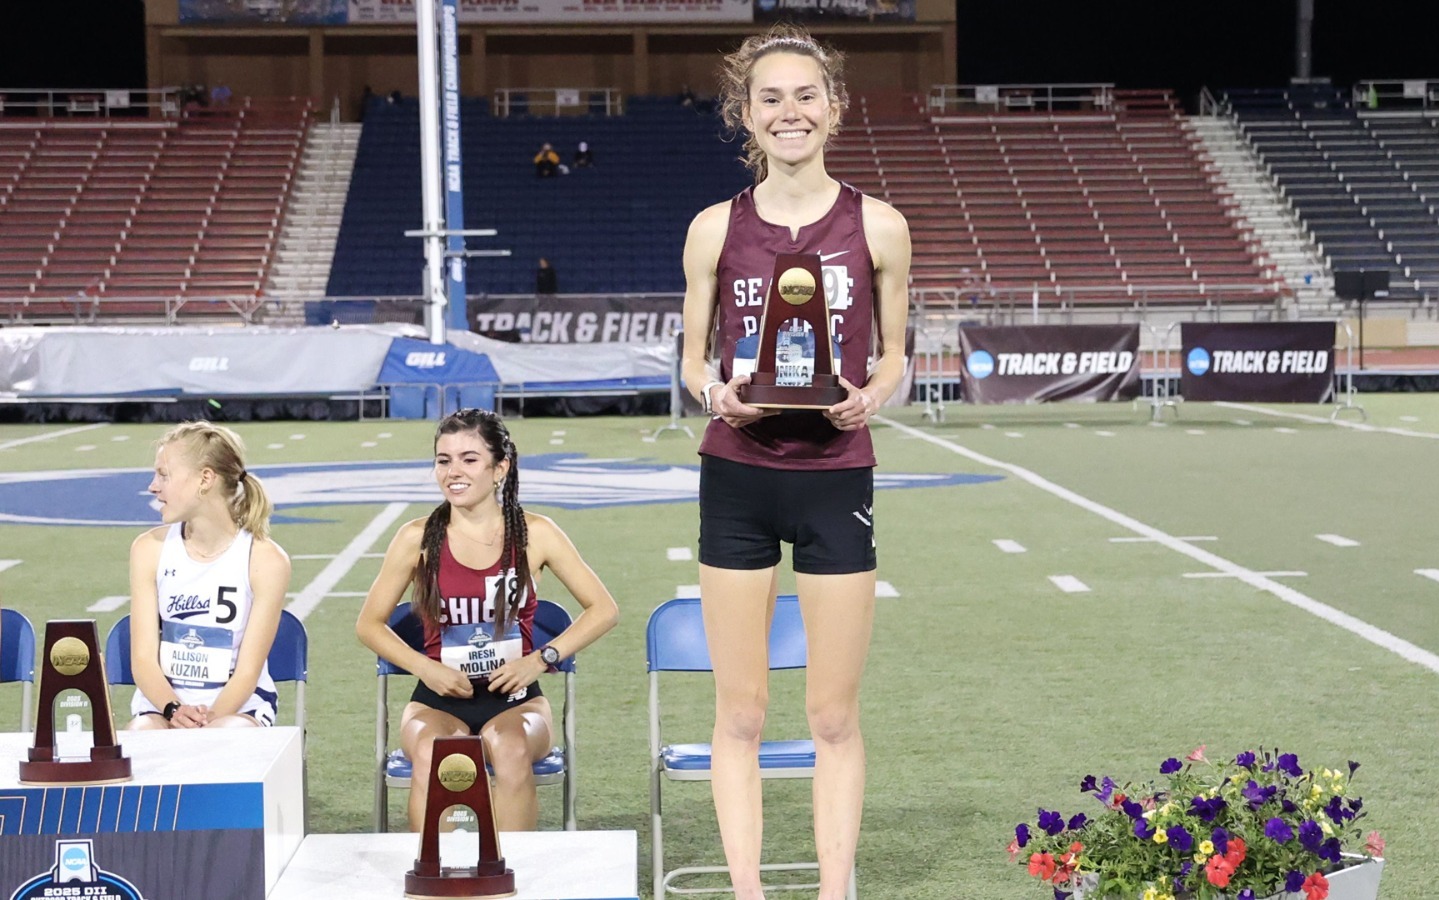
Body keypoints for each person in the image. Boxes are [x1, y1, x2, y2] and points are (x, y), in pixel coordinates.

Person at [678, 24, 910, 900]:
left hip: (836, 473)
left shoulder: (880, 226)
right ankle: (749, 892)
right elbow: (695, 360)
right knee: (739, 712)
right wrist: (716, 396)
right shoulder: (713, 229)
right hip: (736, 474)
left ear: (834, 107)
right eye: (770, 98)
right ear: (746, 114)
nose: (789, 112)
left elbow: (895, 355)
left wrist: (873, 396)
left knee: (831, 715)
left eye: (805, 95)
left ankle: (829, 890)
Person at [355, 409, 619, 832]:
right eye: (444, 460)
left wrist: (539, 659)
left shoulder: (537, 533)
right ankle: (434, 882)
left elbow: (604, 609)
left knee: (510, 747)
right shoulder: (416, 538)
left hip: (517, 700)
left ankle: (505, 879)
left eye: (468, 459)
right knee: (437, 751)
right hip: (437, 699)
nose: (453, 472)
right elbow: (368, 624)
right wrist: (425, 667)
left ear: (500, 468)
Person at [128, 422, 290, 730]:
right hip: (164, 703)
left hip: (238, 705)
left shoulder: (266, 560)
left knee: (222, 740)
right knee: (142, 739)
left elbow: (247, 673)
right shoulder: (147, 550)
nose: (153, 486)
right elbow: (144, 660)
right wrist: (174, 709)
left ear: (205, 479)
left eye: (164, 474)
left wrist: (204, 721)